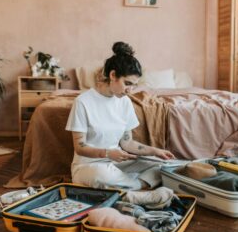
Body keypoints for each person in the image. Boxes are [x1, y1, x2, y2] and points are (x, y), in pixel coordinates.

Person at [66, 42, 175, 190]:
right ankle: (140, 186)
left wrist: (156, 151)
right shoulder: (83, 102)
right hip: (89, 166)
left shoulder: (125, 102)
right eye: (127, 83)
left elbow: (127, 143)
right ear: (112, 75)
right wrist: (107, 153)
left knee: (161, 166)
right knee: (101, 175)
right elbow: (80, 147)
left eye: (134, 85)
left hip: (116, 163)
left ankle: (130, 186)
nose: (130, 90)